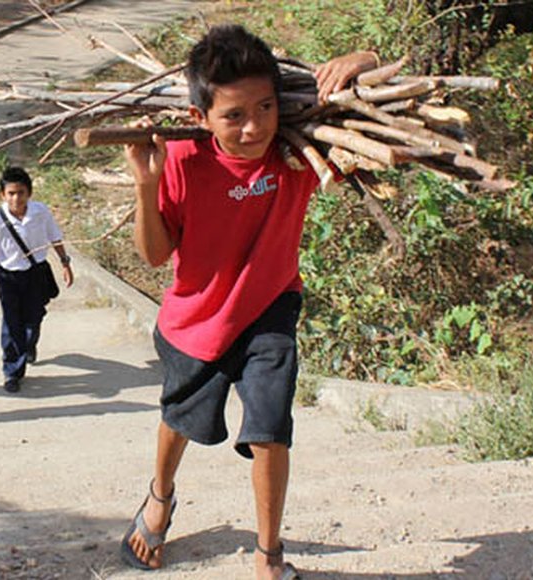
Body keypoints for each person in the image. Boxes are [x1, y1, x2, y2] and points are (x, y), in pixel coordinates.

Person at [120, 24, 378, 579]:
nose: (253, 127)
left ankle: (269, 554)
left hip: (270, 307)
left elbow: (371, 120)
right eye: (233, 116)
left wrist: (363, 56)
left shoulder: (297, 151)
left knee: (269, 428)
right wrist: (146, 185)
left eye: (264, 107)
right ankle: (160, 496)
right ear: (200, 117)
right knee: (180, 418)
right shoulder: (185, 160)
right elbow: (155, 254)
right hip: (198, 320)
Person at [0, 166, 74, 393]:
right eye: (11, 193)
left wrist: (65, 263)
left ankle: (29, 345)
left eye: (21, 192)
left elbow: (55, 238)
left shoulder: (40, 213)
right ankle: (12, 371)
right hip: (8, 277)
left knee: (34, 318)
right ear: (3, 195)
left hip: (36, 273)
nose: (16, 198)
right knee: (12, 324)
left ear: (29, 193)